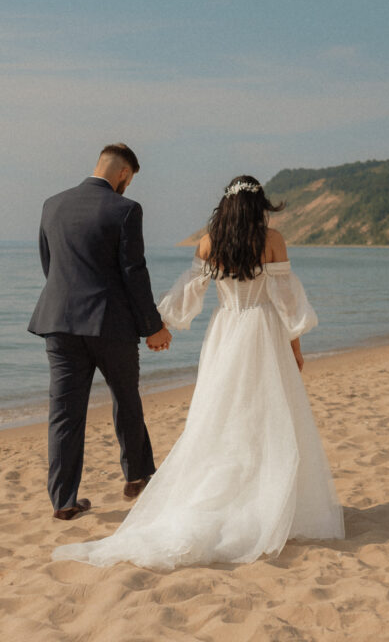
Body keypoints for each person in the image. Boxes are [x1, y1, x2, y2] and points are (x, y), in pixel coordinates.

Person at [53, 175, 344, 569]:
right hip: (264, 331)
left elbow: (190, 290)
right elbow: (286, 299)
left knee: (221, 416)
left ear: (225, 205)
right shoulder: (271, 240)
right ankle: (269, 501)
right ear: (259, 206)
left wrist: (164, 324)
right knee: (270, 417)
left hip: (226, 331)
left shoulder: (210, 241)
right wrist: (296, 346)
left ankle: (229, 497)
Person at [28, 143, 172, 520]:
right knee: (125, 399)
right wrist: (153, 326)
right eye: (131, 179)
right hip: (111, 323)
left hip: (59, 322)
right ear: (124, 173)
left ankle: (63, 502)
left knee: (63, 413)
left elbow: (50, 264)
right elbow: (133, 272)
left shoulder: (52, 204)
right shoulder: (125, 209)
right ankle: (137, 477)